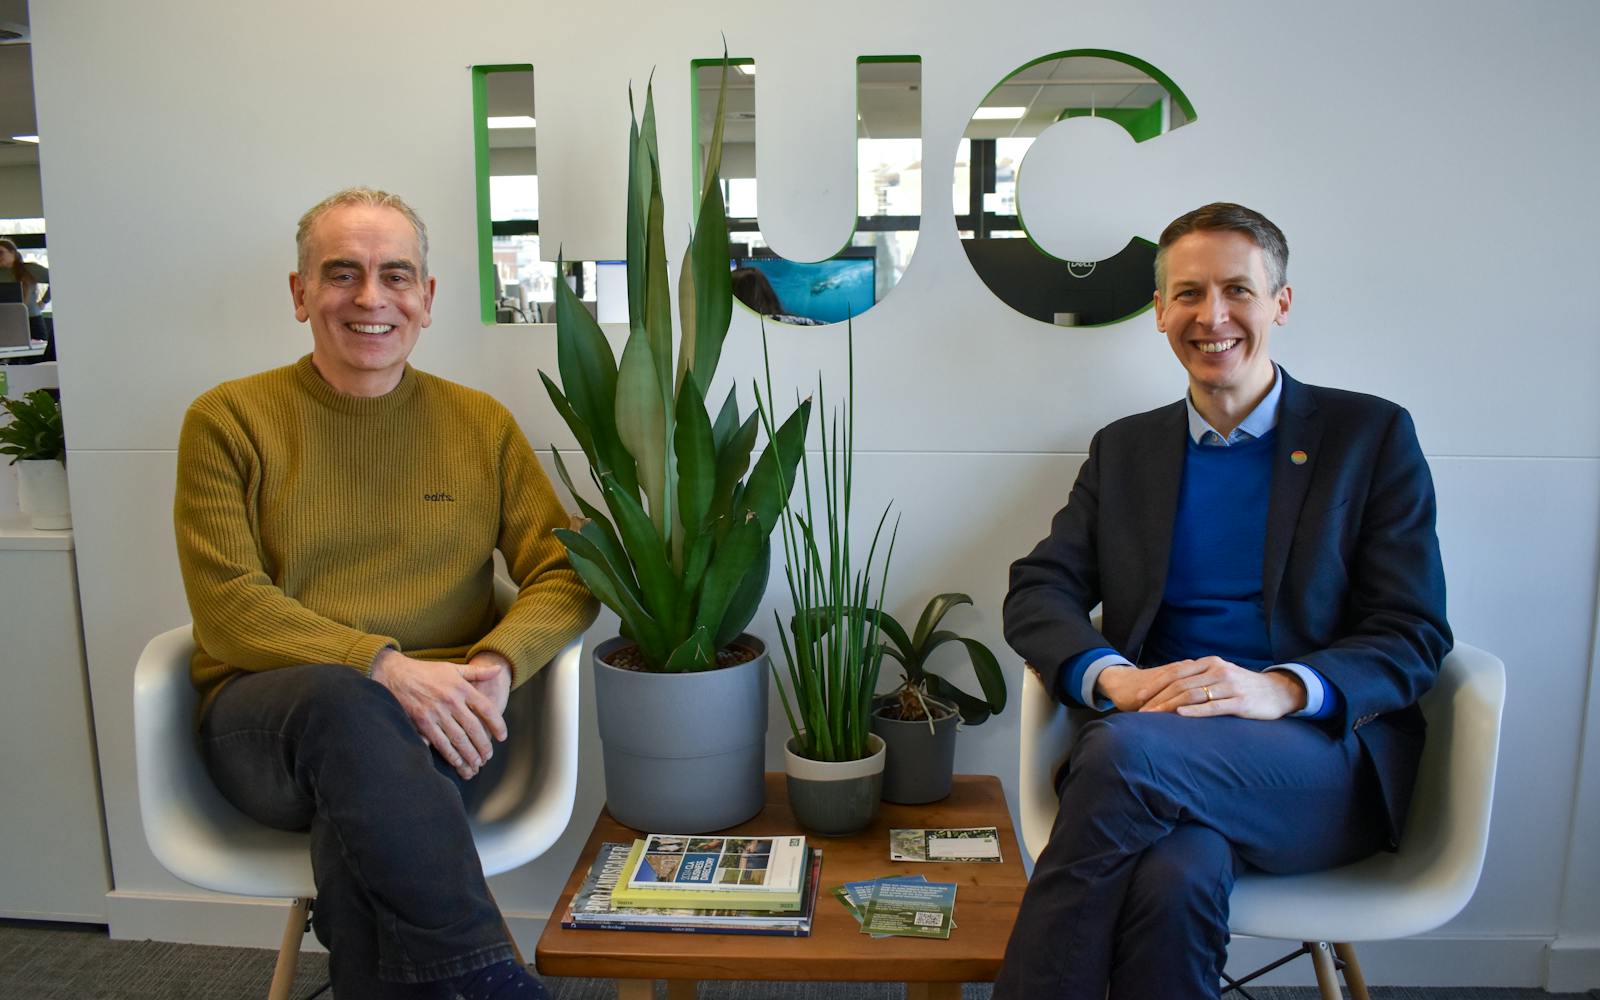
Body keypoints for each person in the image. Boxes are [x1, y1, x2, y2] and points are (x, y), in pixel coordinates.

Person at [995, 202, 1451, 999]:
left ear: (1280, 302)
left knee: (1121, 753)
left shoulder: (1368, 436)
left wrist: (1277, 690)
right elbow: (1042, 588)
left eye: (1238, 290)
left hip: (1314, 763)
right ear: (1161, 311)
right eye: (1188, 293)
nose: (1212, 317)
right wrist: (1113, 677)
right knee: (1177, 877)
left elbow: (1412, 631)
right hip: (1153, 743)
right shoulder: (1125, 449)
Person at [173, 187, 597, 1000]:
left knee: (364, 830)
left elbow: (569, 567)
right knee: (346, 703)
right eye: (342, 274)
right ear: (300, 295)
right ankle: (489, 979)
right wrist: (385, 668)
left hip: (448, 723)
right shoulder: (228, 421)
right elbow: (227, 603)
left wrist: (499, 665)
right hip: (268, 726)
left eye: (395, 275)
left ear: (427, 300)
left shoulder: (480, 425)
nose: (371, 298)